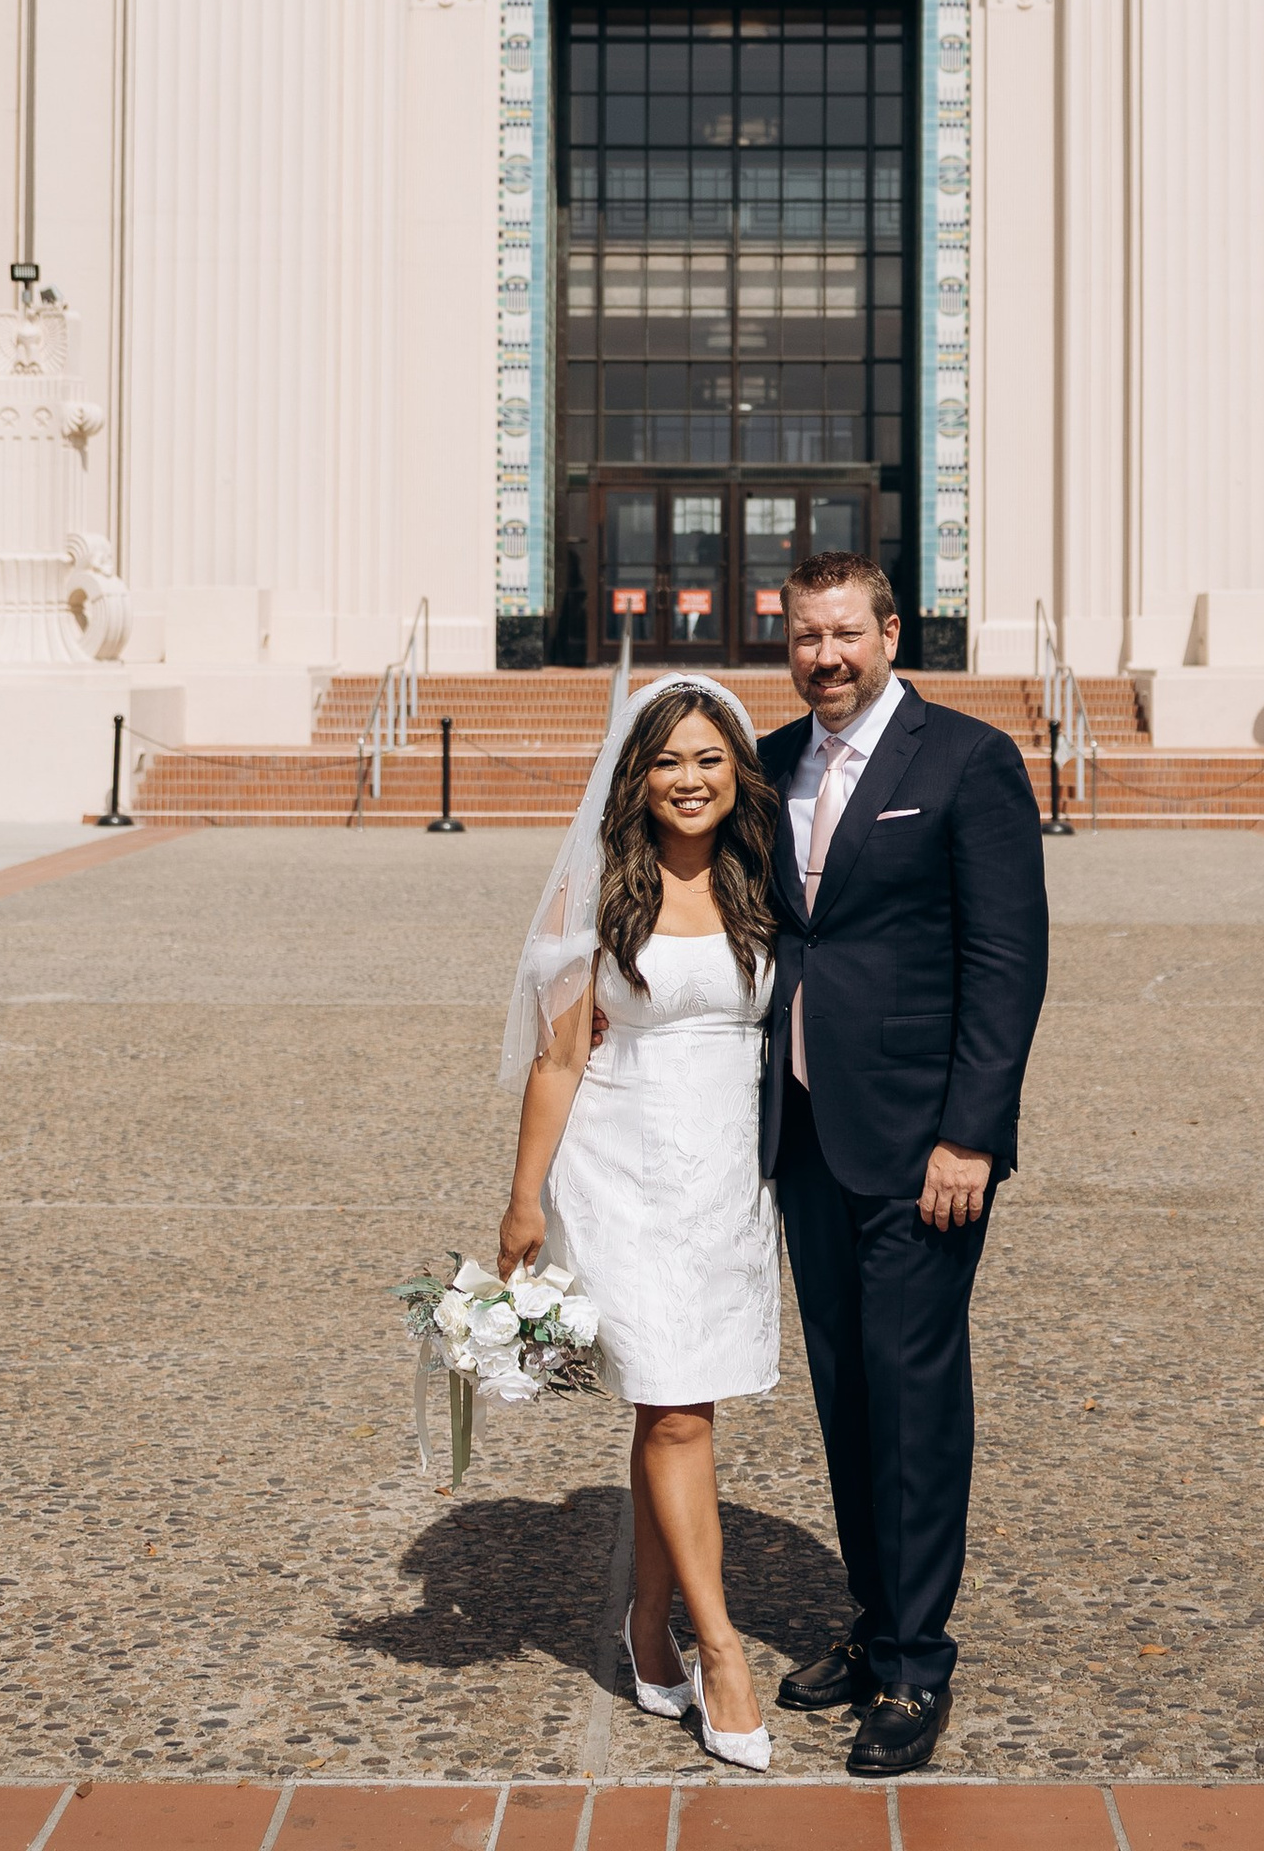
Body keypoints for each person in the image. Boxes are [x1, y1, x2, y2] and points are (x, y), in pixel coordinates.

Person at [758, 558, 1050, 1779]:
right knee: (844, 1385)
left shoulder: (966, 761)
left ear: (889, 632)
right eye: (804, 637)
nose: (825, 655)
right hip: (807, 1133)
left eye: (845, 634)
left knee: (915, 1394)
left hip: (925, 1143)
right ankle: (875, 1629)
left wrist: (971, 1133)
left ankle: (919, 1662)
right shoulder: (770, 761)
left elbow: (1007, 958)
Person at [498, 674, 783, 1772]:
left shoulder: (762, 884)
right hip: (624, 1171)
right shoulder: (596, 898)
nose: (689, 778)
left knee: (681, 1401)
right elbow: (559, 1057)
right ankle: (721, 1652)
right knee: (673, 1411)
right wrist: (523, 1200)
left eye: (708, 758)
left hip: (725, 1180)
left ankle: (642, 1621)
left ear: (735, 770)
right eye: (668, 760)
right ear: (637, 775)